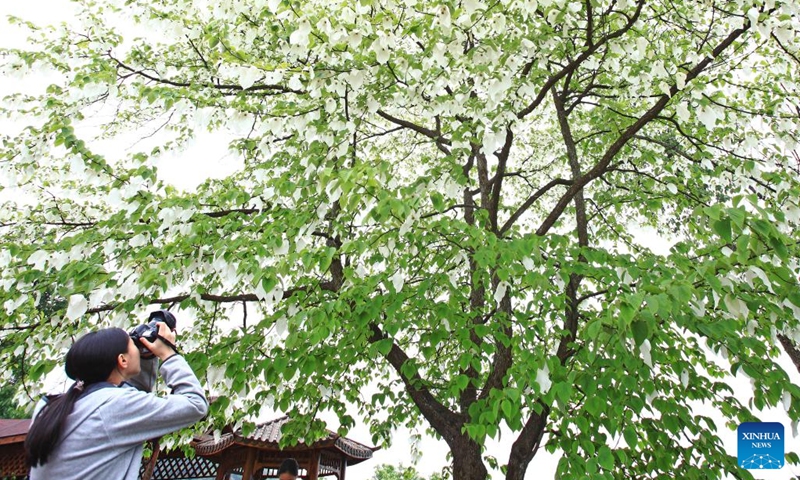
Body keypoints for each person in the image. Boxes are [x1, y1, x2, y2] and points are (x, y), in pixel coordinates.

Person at [25, 319, 208, 480]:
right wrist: (168, 354)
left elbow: (129, 400)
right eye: (132, 344)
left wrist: (146, 356)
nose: (136, 347)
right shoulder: (113, 406)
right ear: (122, 360)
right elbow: (195, 404)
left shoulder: (49, 405)